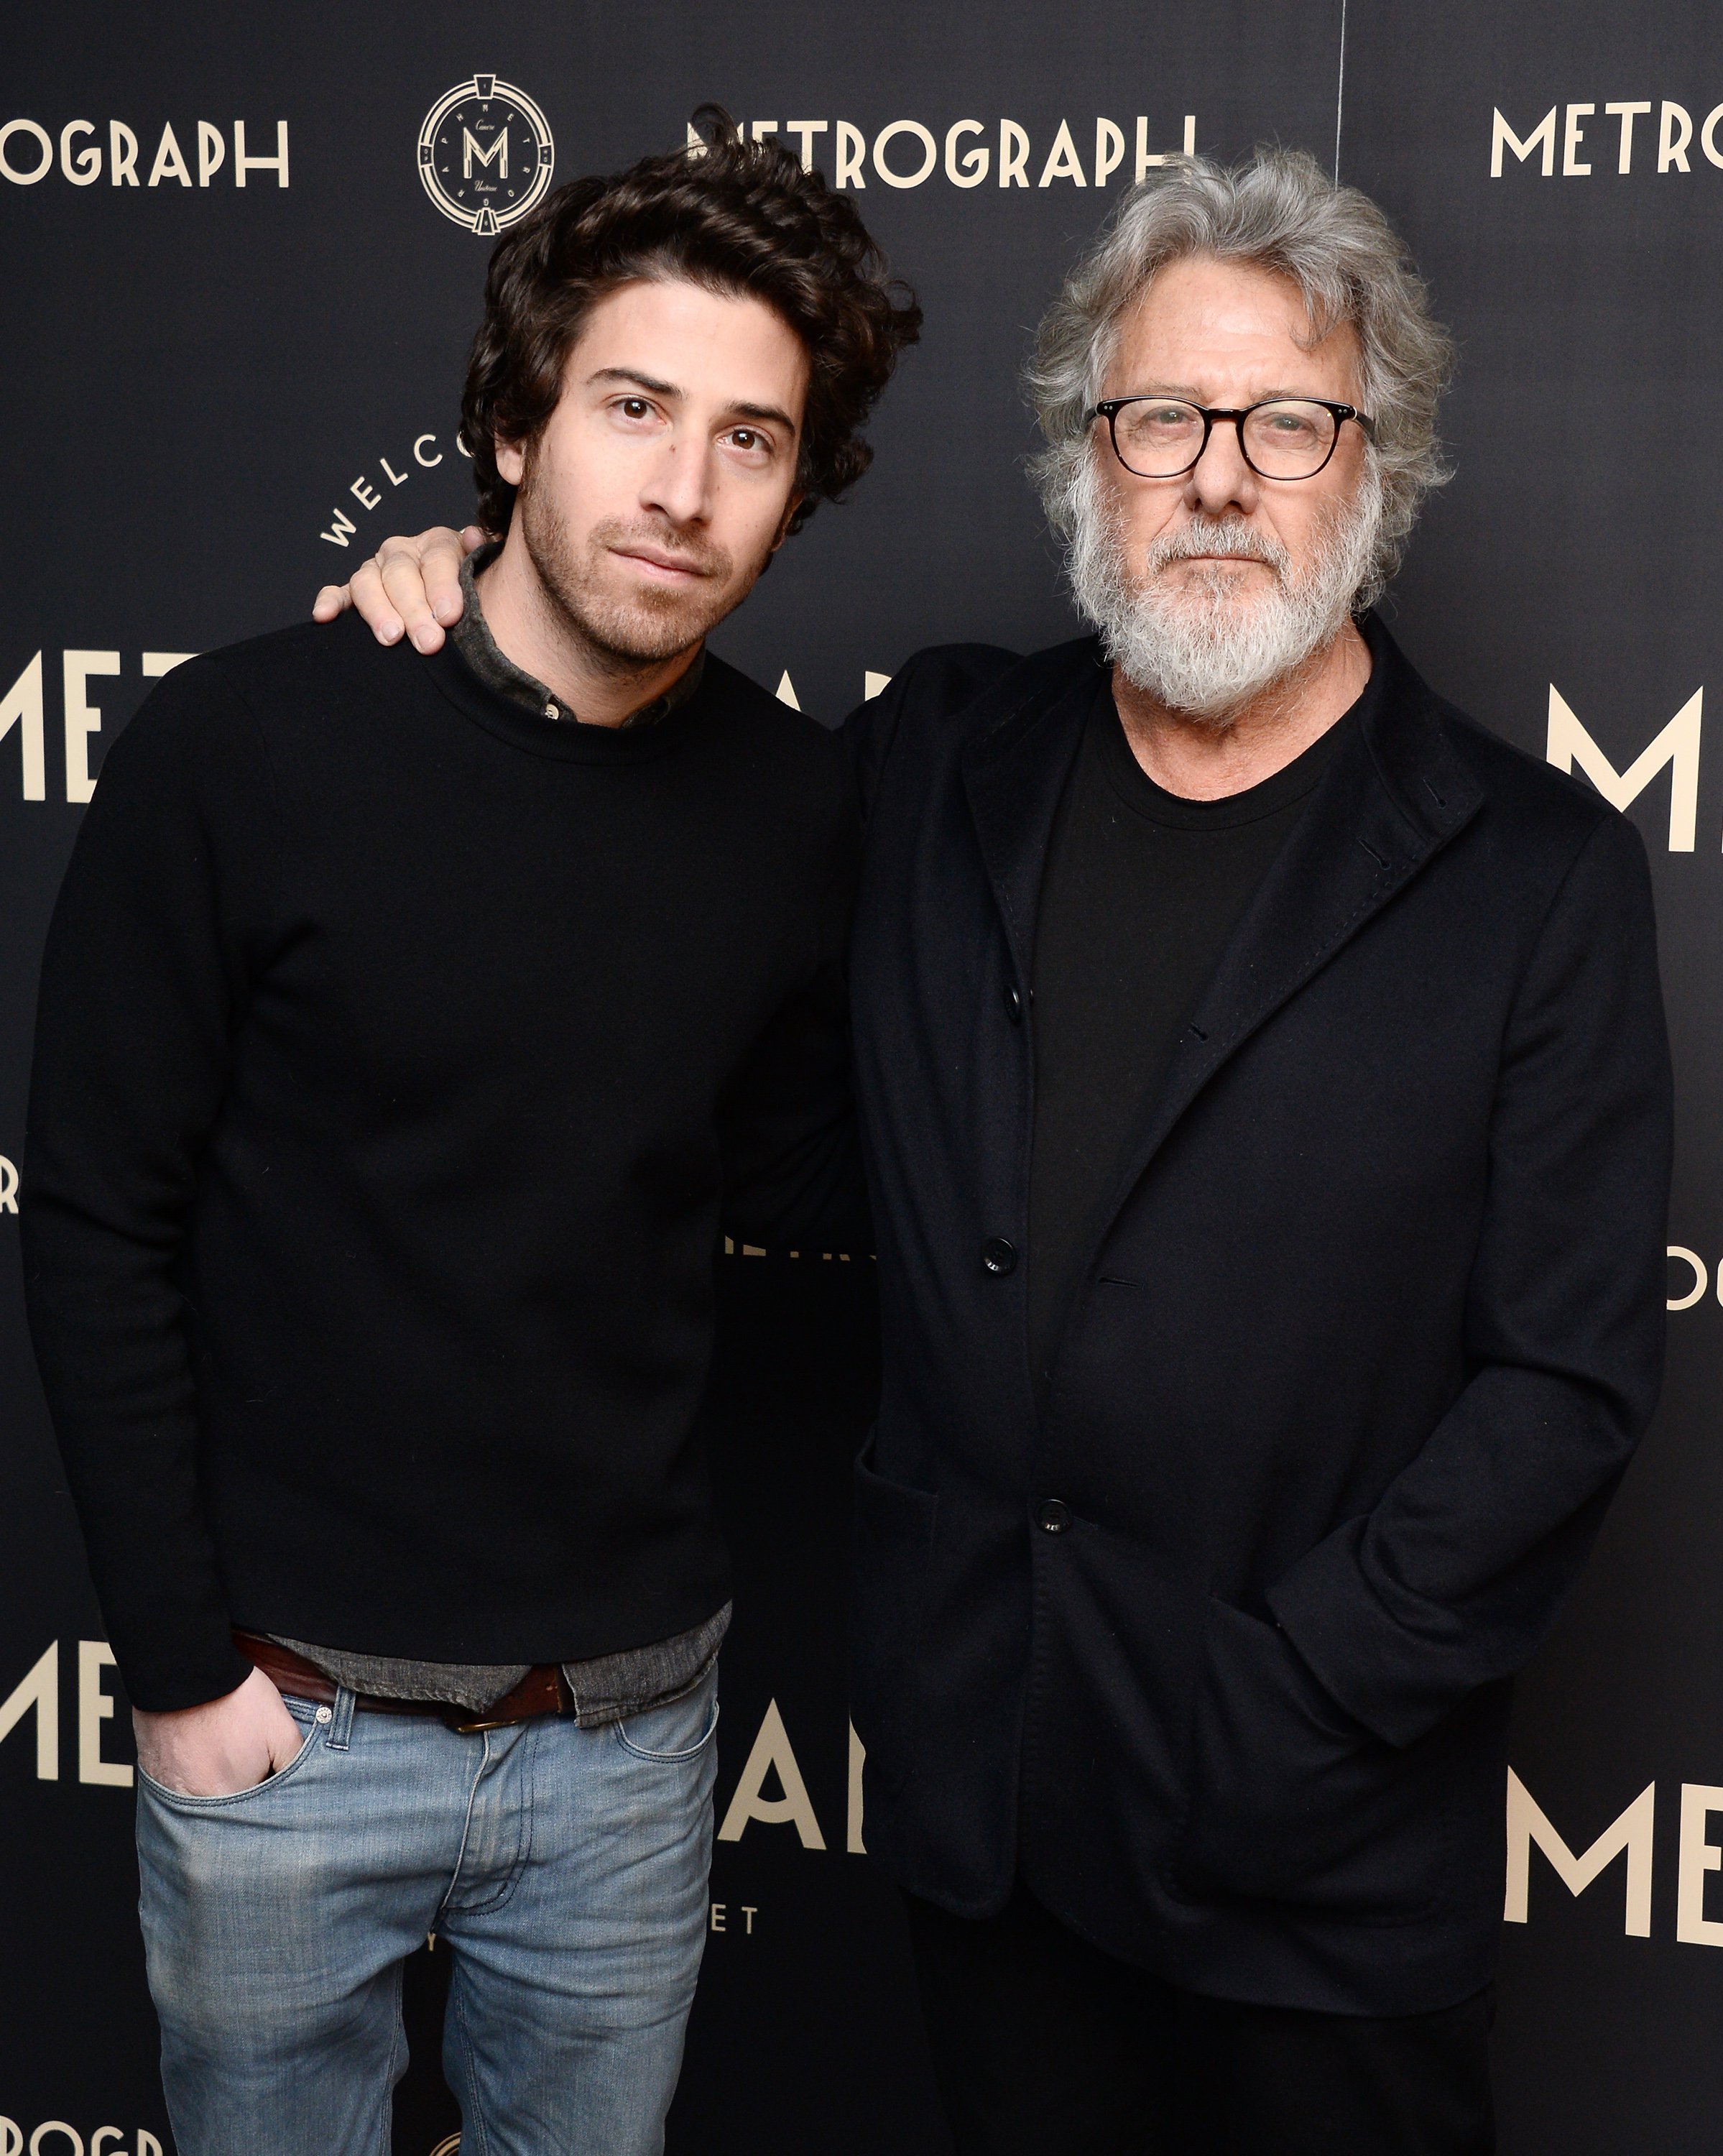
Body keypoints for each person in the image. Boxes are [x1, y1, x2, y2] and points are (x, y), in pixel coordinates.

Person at [325, 151, 1672, 2155]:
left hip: (1316, 1862)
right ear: (1085, 456)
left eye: (1286, 421)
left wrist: (1280, 1708)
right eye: (1158, 419)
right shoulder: (943, 754)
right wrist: (484, 587)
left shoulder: (1536, 873)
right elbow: (668, 835)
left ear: (1372, 464)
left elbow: (1563, 1382)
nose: (1219, 475)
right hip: (989, 1823)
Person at [22, 121, 916, 2156]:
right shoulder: (243, 748)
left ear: (798, 495)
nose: (683, 489)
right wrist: (179, 1678)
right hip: (283, 1731)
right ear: (514, 428)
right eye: (632, 407)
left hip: (624, 1743)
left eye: (753, 440)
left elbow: (802, 1181)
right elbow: (95, 1220)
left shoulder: (797, 812)